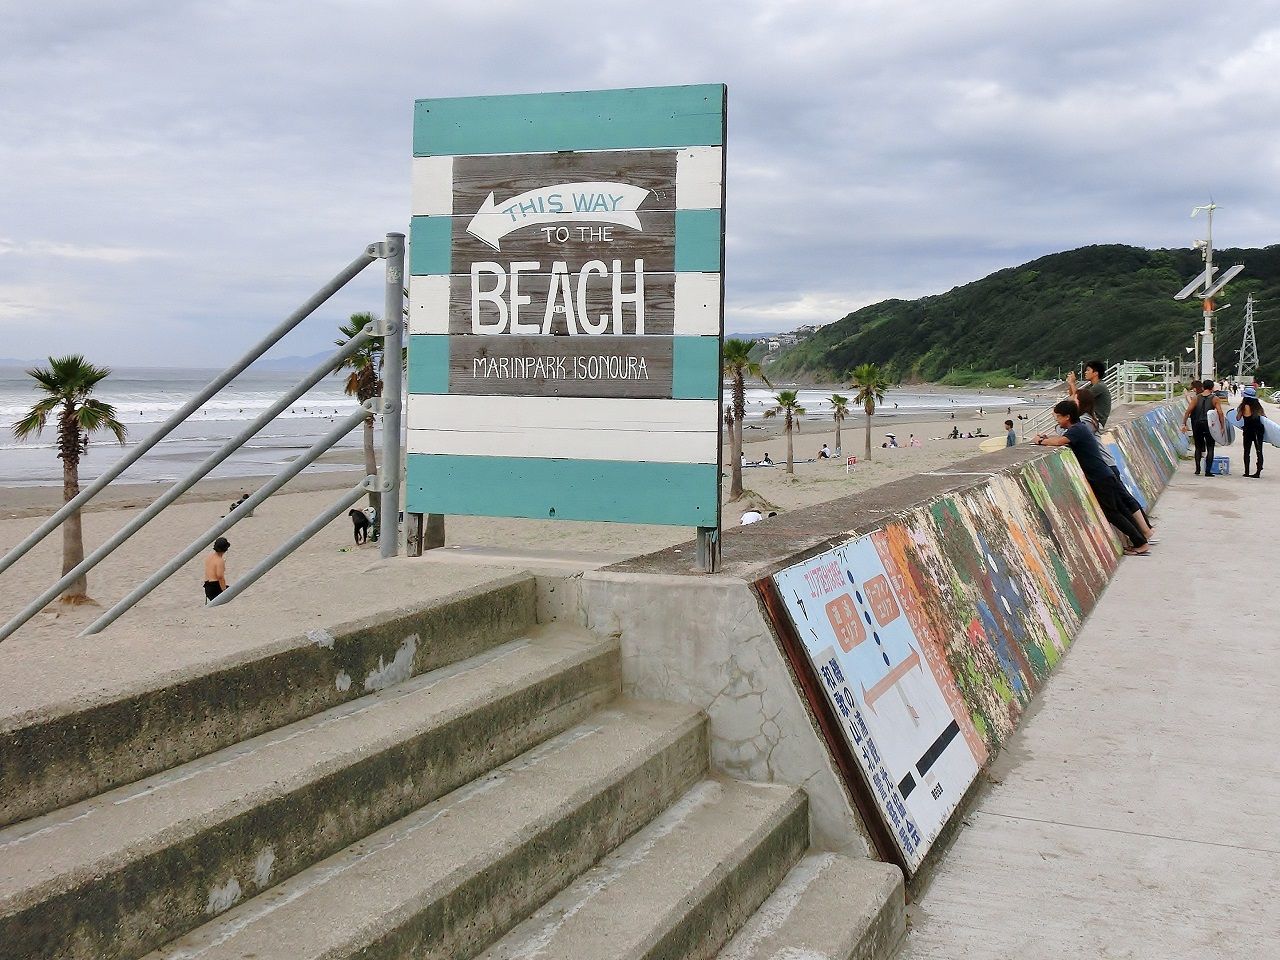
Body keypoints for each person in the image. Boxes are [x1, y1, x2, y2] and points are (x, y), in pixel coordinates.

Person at [1035, 401, 1149, 555]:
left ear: (1067, 417)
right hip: (1105, 474)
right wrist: (1048, 438)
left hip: (1100, 477)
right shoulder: (1078, 428)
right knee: (1119, 509)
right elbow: (1062, 439)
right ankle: (1140, 540)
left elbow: (1059, 441)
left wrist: (1041, 441)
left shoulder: (1077, 430)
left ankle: (1140, 543)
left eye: (1058, 417)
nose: (1056, 420)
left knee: (1112, 512)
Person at [1076, 390, 1156, 541]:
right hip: (1109, 464)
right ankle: (1144, 532)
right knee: (1124, 500)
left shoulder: (1085, 421)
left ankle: (1144, 533)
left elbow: (1073, 434)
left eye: (1074, 399)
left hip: (1105, 465)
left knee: (1122, 503)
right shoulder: (1091, 418)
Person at [1182, 379, 1225, 476]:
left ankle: (1197, 469)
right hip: (1209, 425)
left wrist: (1183, 423)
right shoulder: (1215, 398)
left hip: (1197, 424)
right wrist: (1222, 426)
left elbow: (1188, 411)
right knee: (1210, 447)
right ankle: (1208, 471)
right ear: (1212, 387)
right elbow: (1220, 413)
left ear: (1203, 387)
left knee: (1198, 447)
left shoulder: (1196, 398)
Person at [1069, 360, 1112, 427]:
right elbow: (1073, 396)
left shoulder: (1099, 386)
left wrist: (1072, 383)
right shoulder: (1091, 386)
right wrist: (1070, 384)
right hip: (1090, 419)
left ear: (1096, 373)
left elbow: (1077, 398)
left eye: (1088, 370)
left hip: (1096, 422)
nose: (1085, 372)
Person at [1238, 385, 1266, 478]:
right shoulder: (1258, 406)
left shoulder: (1243, 406)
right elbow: (1264, 417)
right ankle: (1258, 472)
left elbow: (1237, 418)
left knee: (1247, 451)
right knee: (1259, 451)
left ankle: (1246, 472)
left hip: (1248, 430)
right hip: (1258, 430)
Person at [203, 537, 230, 602]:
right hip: (215, 588)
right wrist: (224, 590)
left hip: (207, 587)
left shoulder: (209, 556)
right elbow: (220, 577)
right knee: (232, 592)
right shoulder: (220, 561)